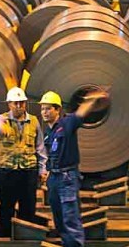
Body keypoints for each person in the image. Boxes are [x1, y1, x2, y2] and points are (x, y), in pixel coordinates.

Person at [39, 90, 109, 247]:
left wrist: (93, 99)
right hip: (54, 179)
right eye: (43, 109)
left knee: (70, 217)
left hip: (67, 178)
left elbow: (80, 113)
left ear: (58, 110)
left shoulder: (66, 123)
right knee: (58, 217)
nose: (44, 112)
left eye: (48, 108)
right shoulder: (48, 133)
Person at [0, 87, 48, 237]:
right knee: (6, 207)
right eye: (15, 103)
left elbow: (40, 148)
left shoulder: (34, 121)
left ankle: (25, 237)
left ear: (25, 104)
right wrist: (1, 128)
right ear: (9, 104)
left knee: (28, 207)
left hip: (28, 171)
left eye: (21, 103)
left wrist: (43, 170)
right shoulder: (2, 119)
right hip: (7, 171)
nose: (18, 106)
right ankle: (4, 237)